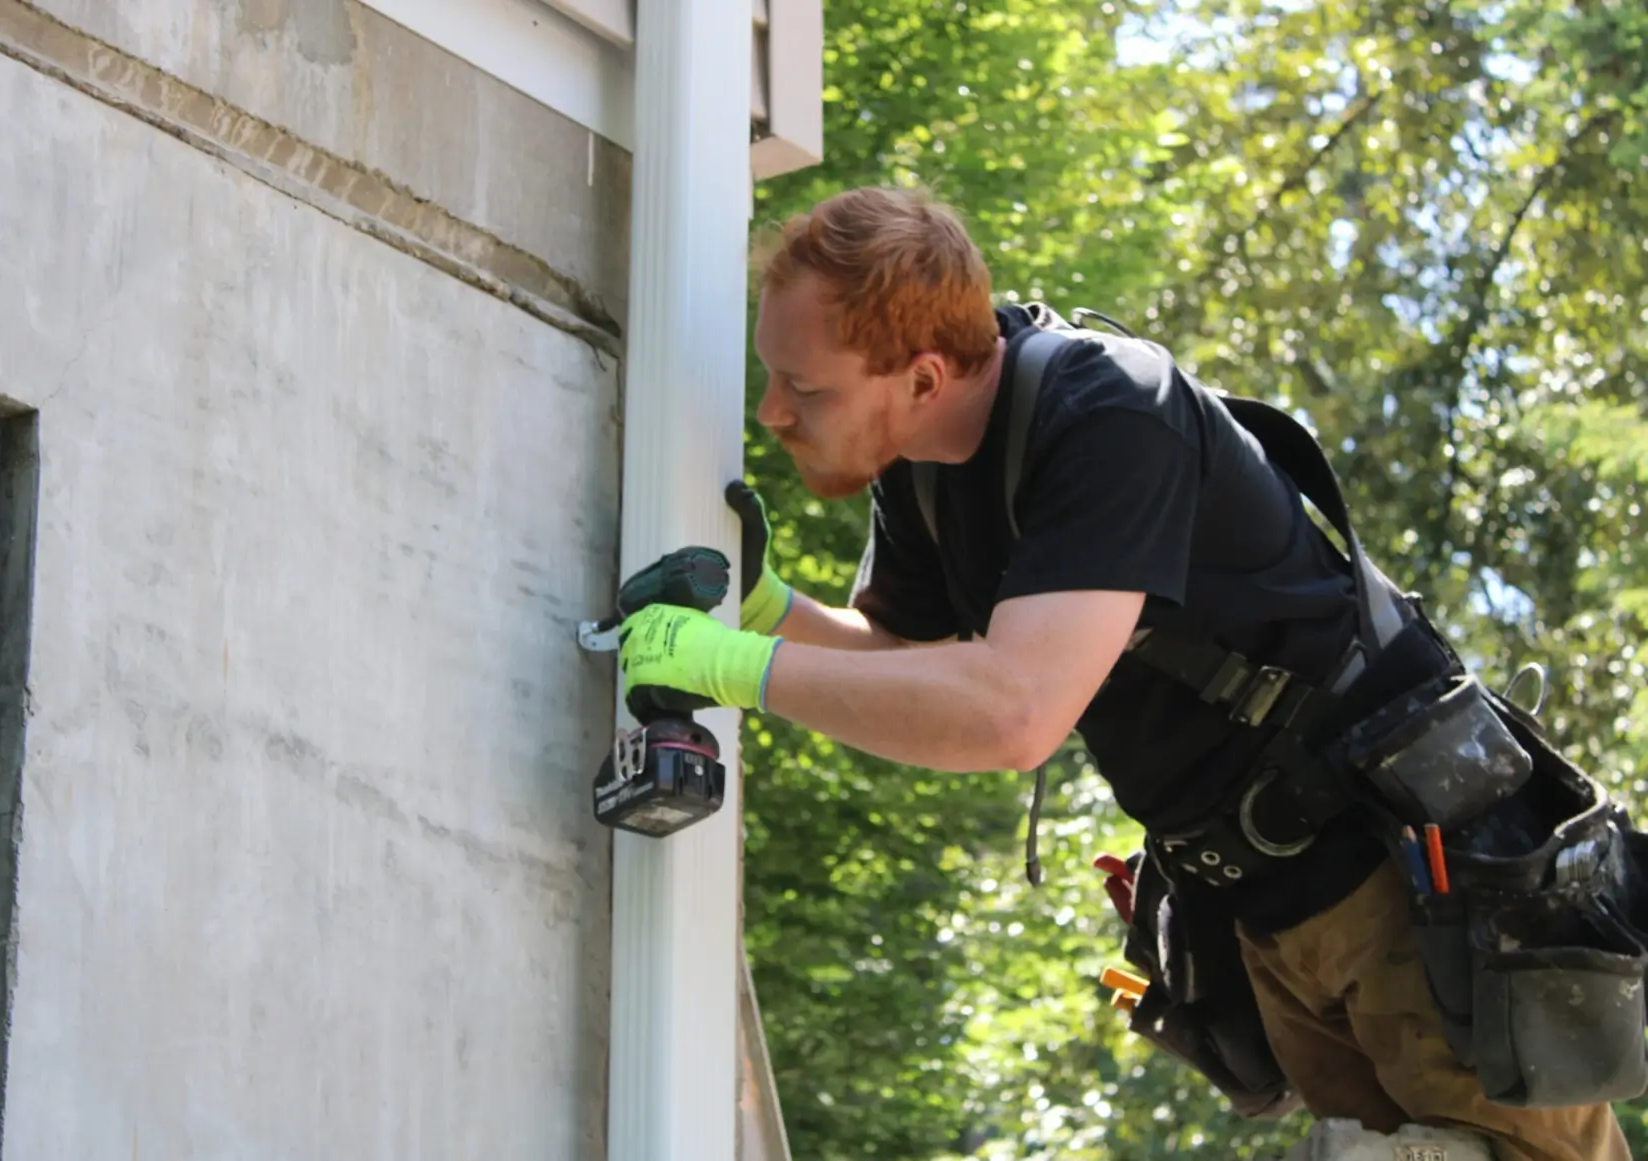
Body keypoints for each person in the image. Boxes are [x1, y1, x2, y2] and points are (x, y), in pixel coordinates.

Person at [613, 185, 1634, 1161]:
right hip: (1263, 906)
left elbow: (1011, 716)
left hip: (1399, 881)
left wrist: (736, 667)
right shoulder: (920, 468)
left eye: (804, 386)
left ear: (922, 377)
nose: (772, 412)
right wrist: (769, 615)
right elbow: (916, 671)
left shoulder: (1107, 416)